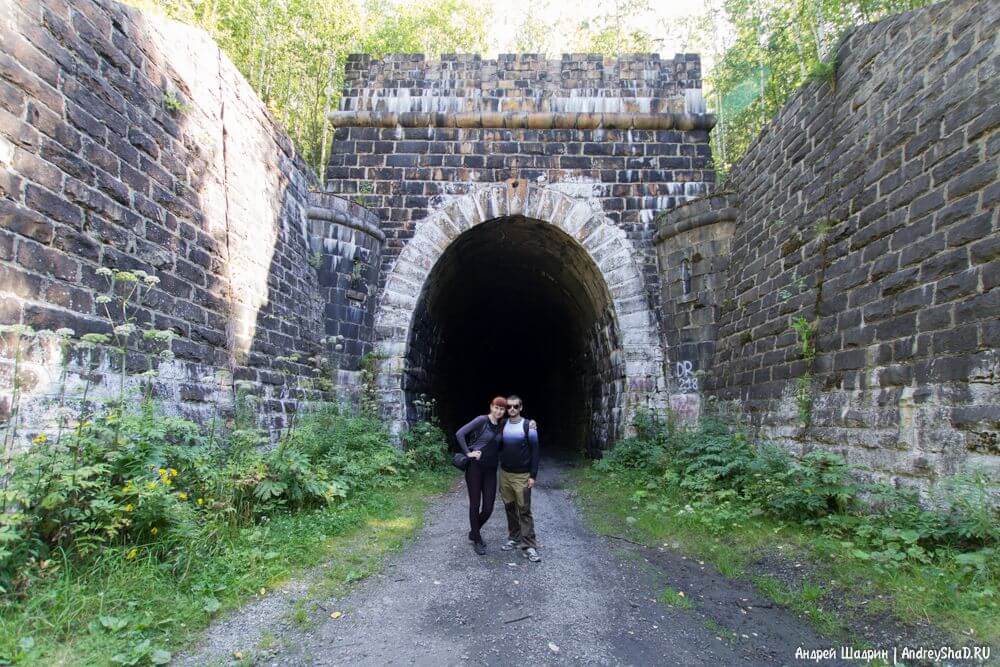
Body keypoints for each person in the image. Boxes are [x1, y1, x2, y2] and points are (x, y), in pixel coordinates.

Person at [455, 397, 507, 555]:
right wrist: (468, 453)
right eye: (496, 407)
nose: (499, 411)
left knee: (489, 507)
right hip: (475, 469)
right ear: (491, 407)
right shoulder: (481, 420)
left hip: (491, 470)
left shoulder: (502, 425)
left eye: (502, 409)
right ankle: (477, 539)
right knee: (475, 504)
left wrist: (531, 424)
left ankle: (473, 531)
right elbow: (460, 434)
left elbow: (519, 423)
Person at [499, 395, 541, 562]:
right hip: (505, 474)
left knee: (524, 510)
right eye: (509, 407)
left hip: (522, 475)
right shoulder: (502, 424)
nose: (512, 410)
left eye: (516, 406)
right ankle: (514, 538)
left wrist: (533, 475)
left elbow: (535, 451)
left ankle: (529, 546)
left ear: (521, 407)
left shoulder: (528, 426)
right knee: (509, 507)